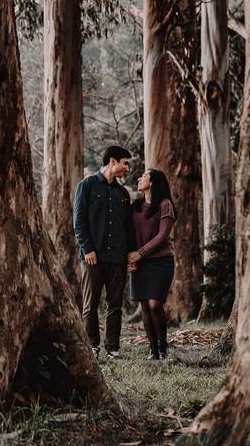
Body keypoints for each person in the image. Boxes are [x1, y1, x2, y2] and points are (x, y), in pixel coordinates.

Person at [72, 145, 137, 359]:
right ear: (112, 161)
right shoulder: (87, 186)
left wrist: (131, 253)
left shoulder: (122, 194)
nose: (127, 168)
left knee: (115, 305)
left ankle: (113, 348)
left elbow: (128, 227)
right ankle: (92, 346)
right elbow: (78, 222)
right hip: (93, 258)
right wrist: (87, 249)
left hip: (117, 258)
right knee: (91, 305)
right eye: (125, 163)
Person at [127, 168, 176, 360]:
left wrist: (139, 254)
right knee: (145, 307)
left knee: (155, 305)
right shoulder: (135, 206)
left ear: (154, 182)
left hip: (161, 261)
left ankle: (163, 348)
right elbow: (130, 234)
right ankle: (153, 349)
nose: (139, 178)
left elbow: (162, 236)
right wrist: (131, 258)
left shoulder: (165, 205)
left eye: (144, 176)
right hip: (139, 263)